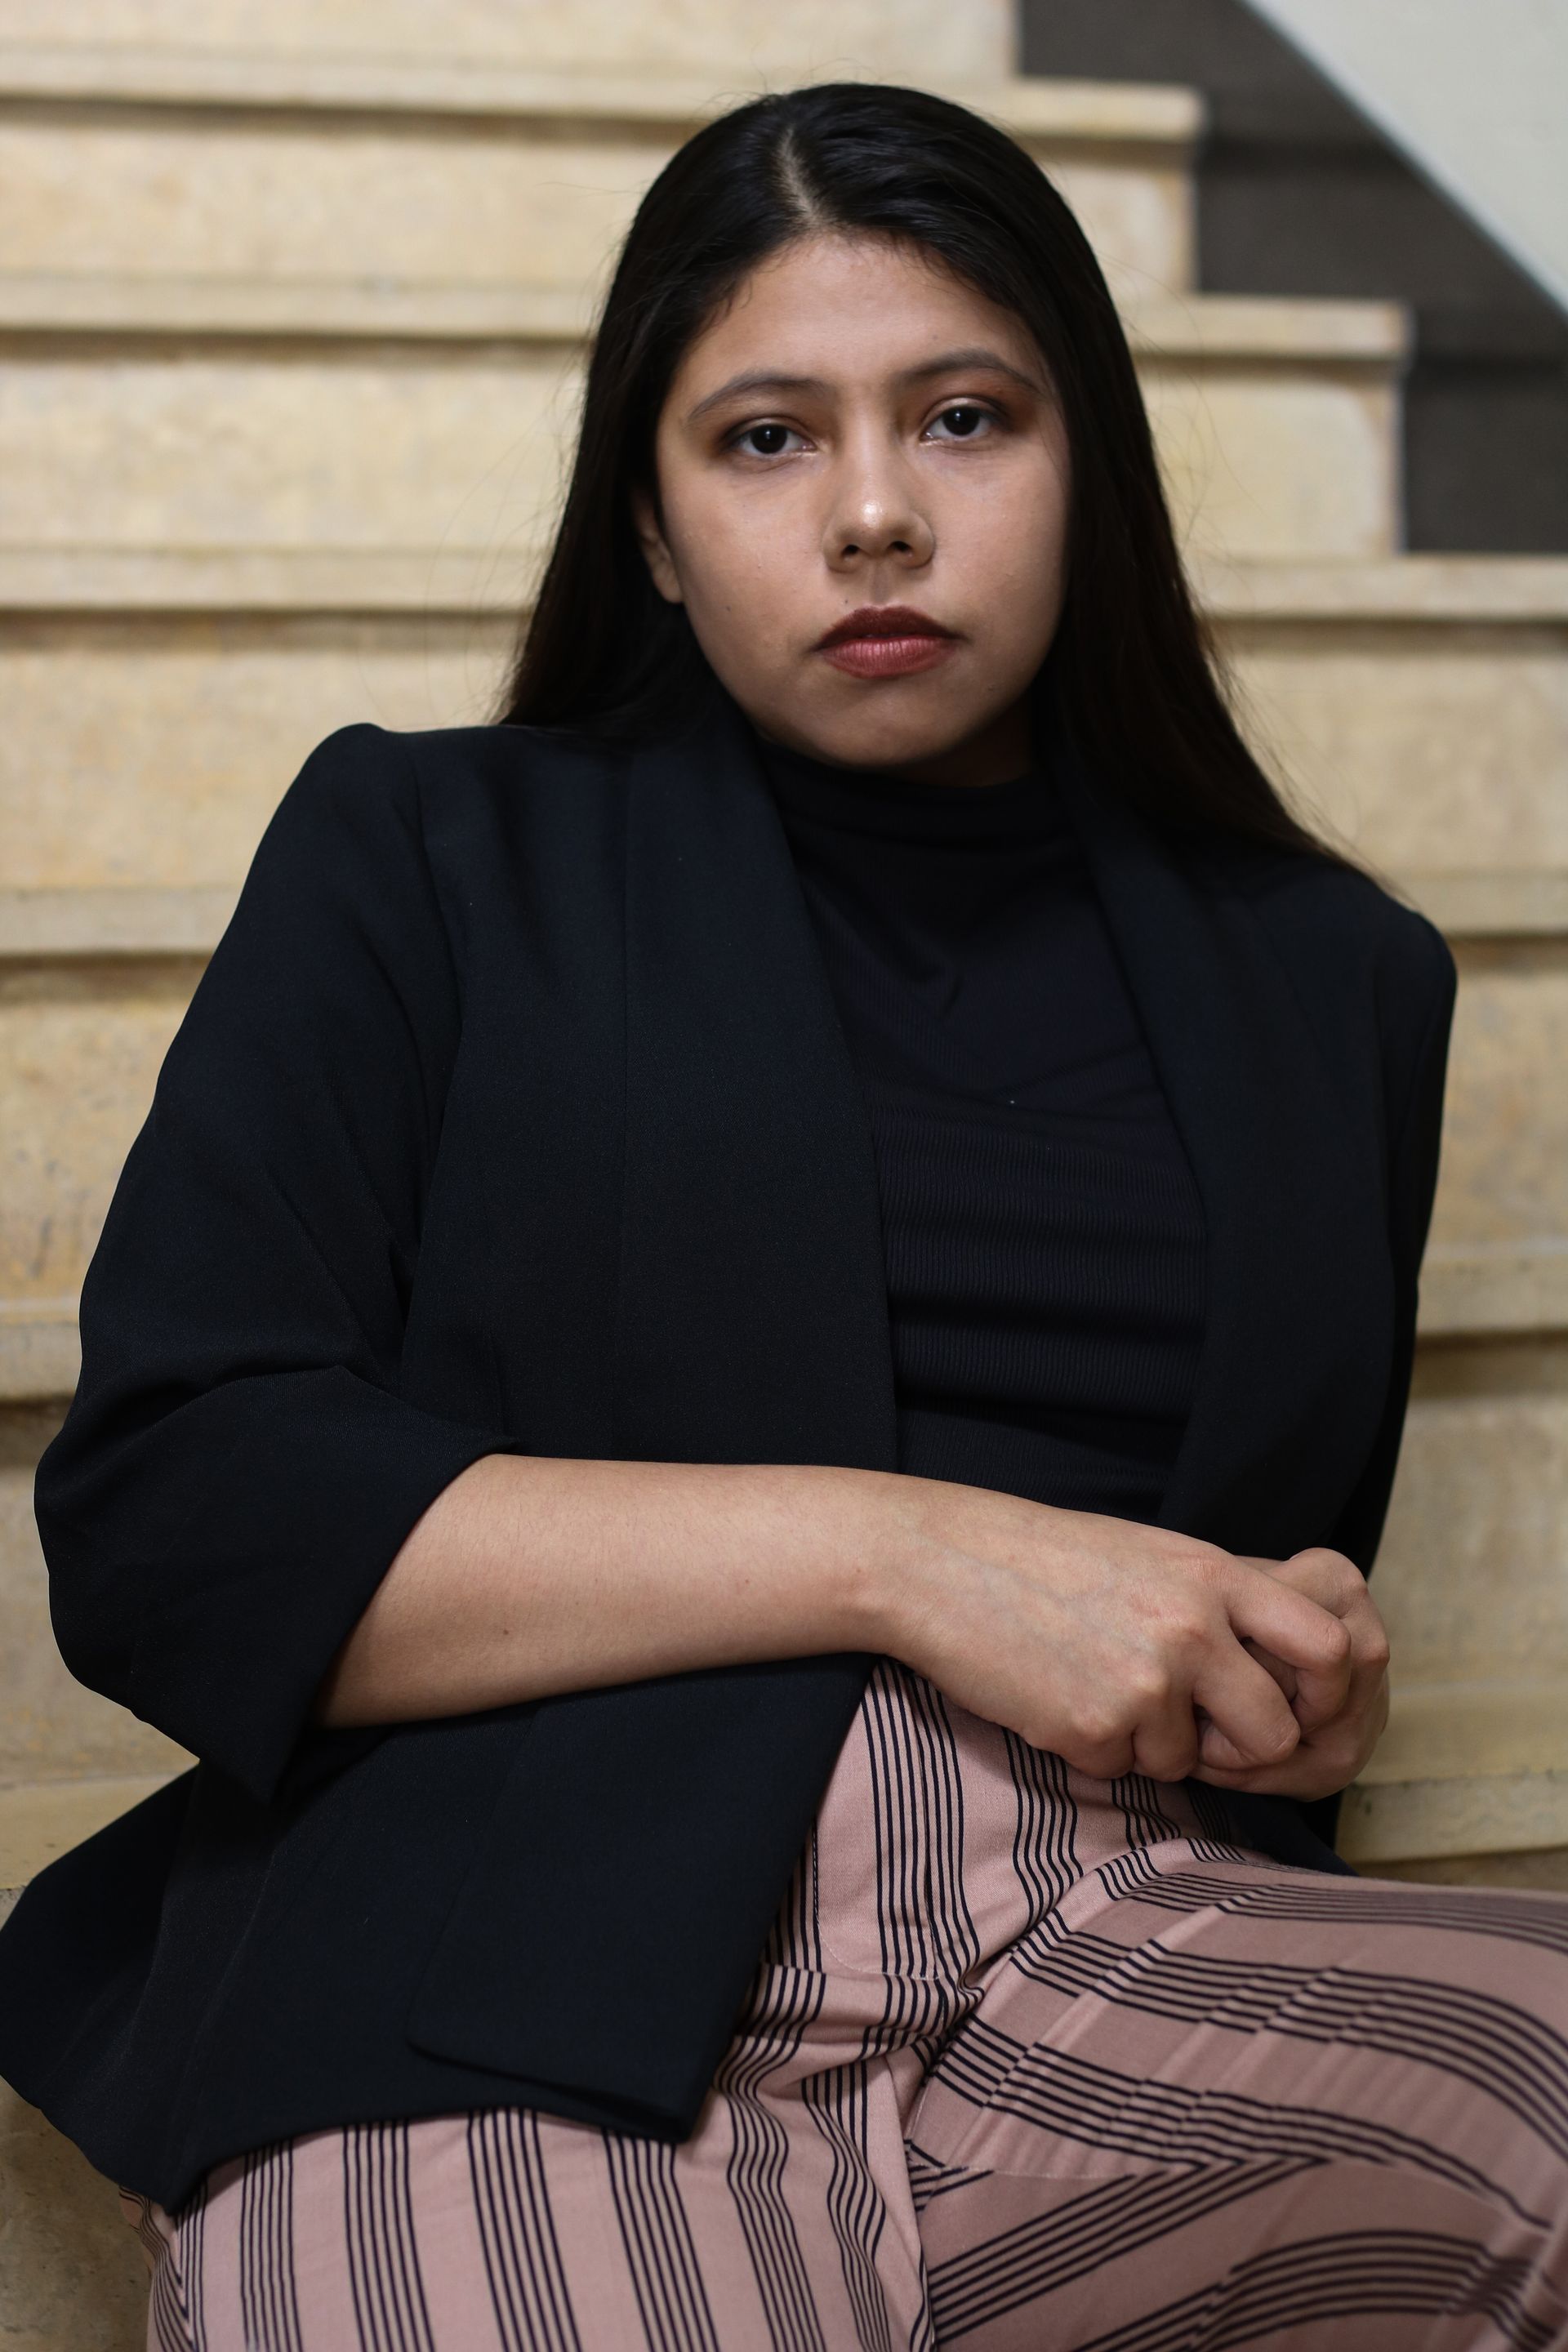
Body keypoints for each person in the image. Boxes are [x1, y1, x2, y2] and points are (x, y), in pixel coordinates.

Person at [2, 78, 1566, 2352]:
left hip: (1120, 1938)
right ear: (645, 521)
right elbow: (177, 1520)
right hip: (512, 1947)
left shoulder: (1334, 979)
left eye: (961, 417)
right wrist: (915, 1552)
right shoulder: (430, 860)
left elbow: (1225, 1543)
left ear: (1087, 467)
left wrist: (1261, 1673)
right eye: (760, 437)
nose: (868, 516)